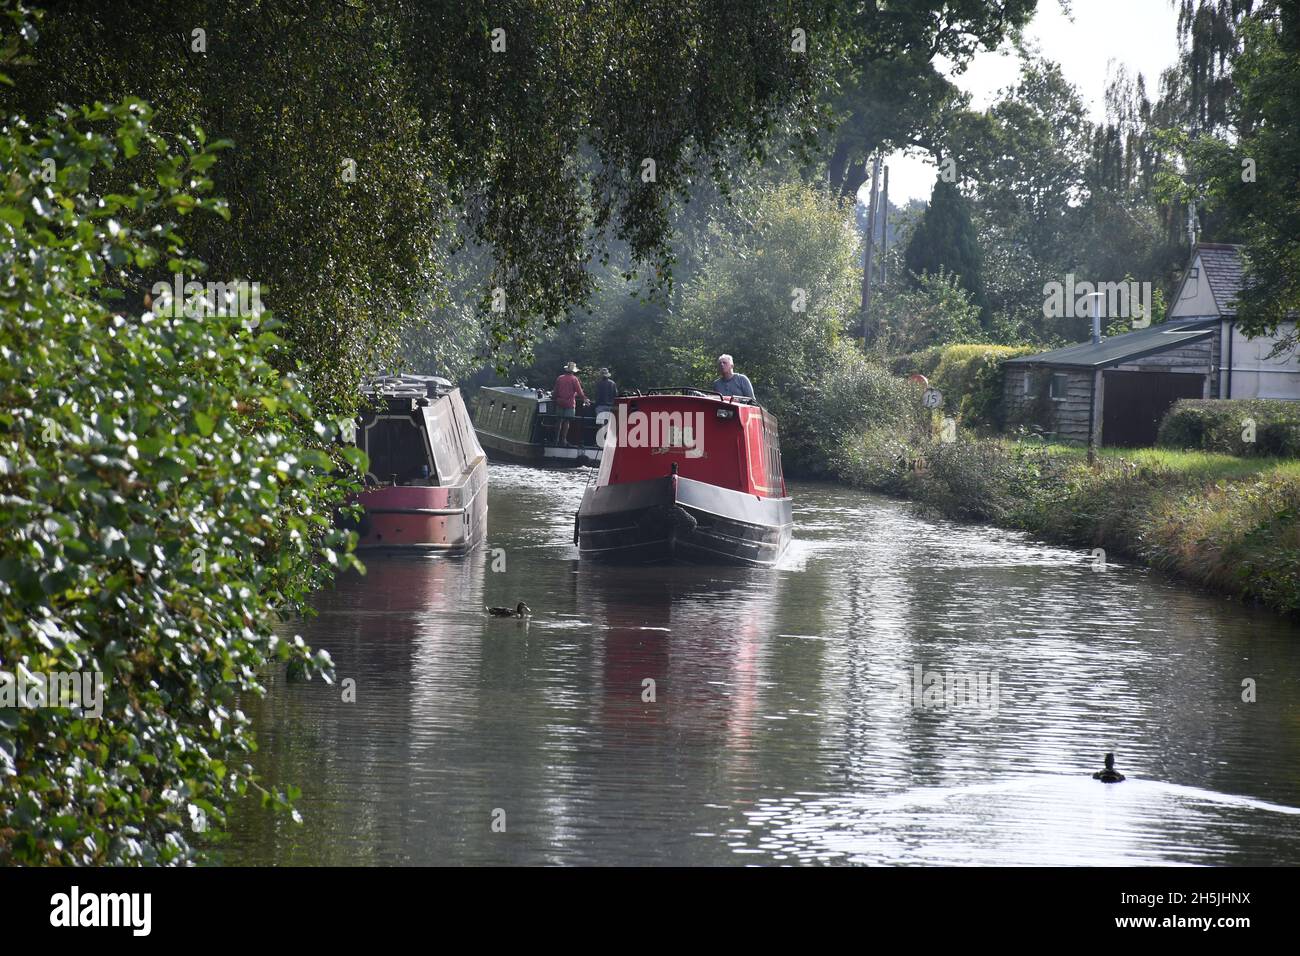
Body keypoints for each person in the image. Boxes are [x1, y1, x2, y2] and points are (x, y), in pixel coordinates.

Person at [552, 361, 588, 446]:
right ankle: (563, 440)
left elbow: (555, 391)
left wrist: (553, 397)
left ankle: (556, 439)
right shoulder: (574, 379)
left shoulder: (560, 378)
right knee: (567, 421)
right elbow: (580, 392)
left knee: (559, 421)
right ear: (573, 371)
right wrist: (585, 399)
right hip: (569, 403)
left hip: (560, 402)